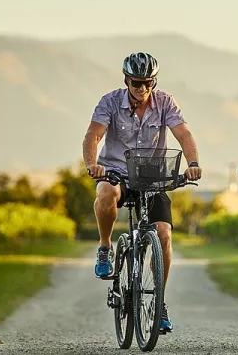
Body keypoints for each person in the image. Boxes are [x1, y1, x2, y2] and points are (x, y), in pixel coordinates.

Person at [83, 51, 202, 334]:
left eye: (147, 82)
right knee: (105, 193)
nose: (142, 88)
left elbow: (183, 134)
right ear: (126, 80)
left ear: (154, 82)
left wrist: (194, 163)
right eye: (136, 83)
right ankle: (104, 248)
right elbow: (93, 135)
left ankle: (159, 303)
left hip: (153, 177)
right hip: (117, 172)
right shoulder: (109, 102)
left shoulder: (165, 102)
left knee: (163, 233)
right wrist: (92, 164)